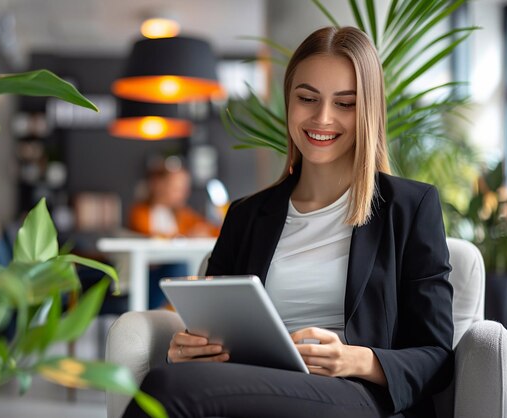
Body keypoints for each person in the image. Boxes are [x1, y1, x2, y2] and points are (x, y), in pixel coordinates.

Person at [123, 26, 453, 418]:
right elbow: (211, 321)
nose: (322, 118)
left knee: (166, 389)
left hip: (354, 395)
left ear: (368, 110)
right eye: (307, 98)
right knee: (174, 379)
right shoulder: (247, 215)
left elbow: (437, 355)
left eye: (345, 103)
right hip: (254, 383)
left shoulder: (410, 207)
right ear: (288, 101)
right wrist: (189, 348)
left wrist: (354, 360)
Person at [129, 158, 220, 308]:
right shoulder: (141, 212)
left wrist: (201, 231)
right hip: (148, 275)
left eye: (184, 188)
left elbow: (212, 229)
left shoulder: (183, 215)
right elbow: (152, 236)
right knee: (179, 267)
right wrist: (186, 236)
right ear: (159, 185)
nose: (183, 193)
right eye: (176, 188)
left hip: (172, 273)